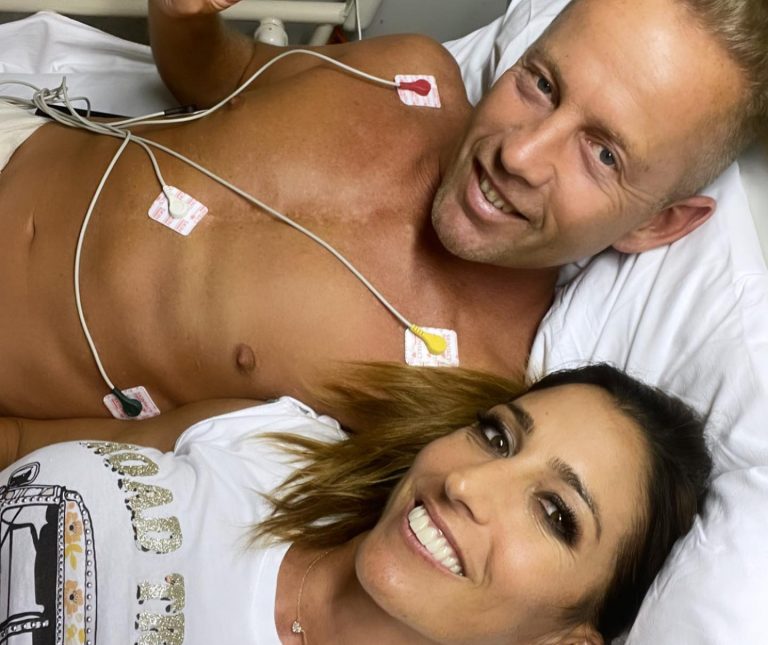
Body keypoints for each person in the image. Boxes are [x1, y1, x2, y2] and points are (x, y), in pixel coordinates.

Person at [1, 0, 766, 419]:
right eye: (541, 82)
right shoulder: (408, 74)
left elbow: (168, 461)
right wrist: (185, 17)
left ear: (659, 223)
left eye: (602, 155)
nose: (520, 154)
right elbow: (220, 82)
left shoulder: (458, 395)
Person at [0, 362, 712, 643]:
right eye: (497, 437)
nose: (465, 483)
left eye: (554, 513)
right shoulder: (278, 441)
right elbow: (23, 440)